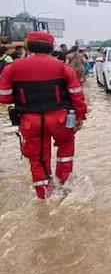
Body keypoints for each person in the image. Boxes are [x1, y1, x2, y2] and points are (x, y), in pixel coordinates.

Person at [0, 32, 87, 199]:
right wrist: (80, 117)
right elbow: (77, 95)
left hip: (30, 121)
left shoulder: (12, 68)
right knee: (66, 149)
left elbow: (4, 97)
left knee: (37, 158)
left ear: (29, 46)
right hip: (61, 119)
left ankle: (44, 196)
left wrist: (23, 97)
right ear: (51, 47)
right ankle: (63, 185)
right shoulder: (63, 68)